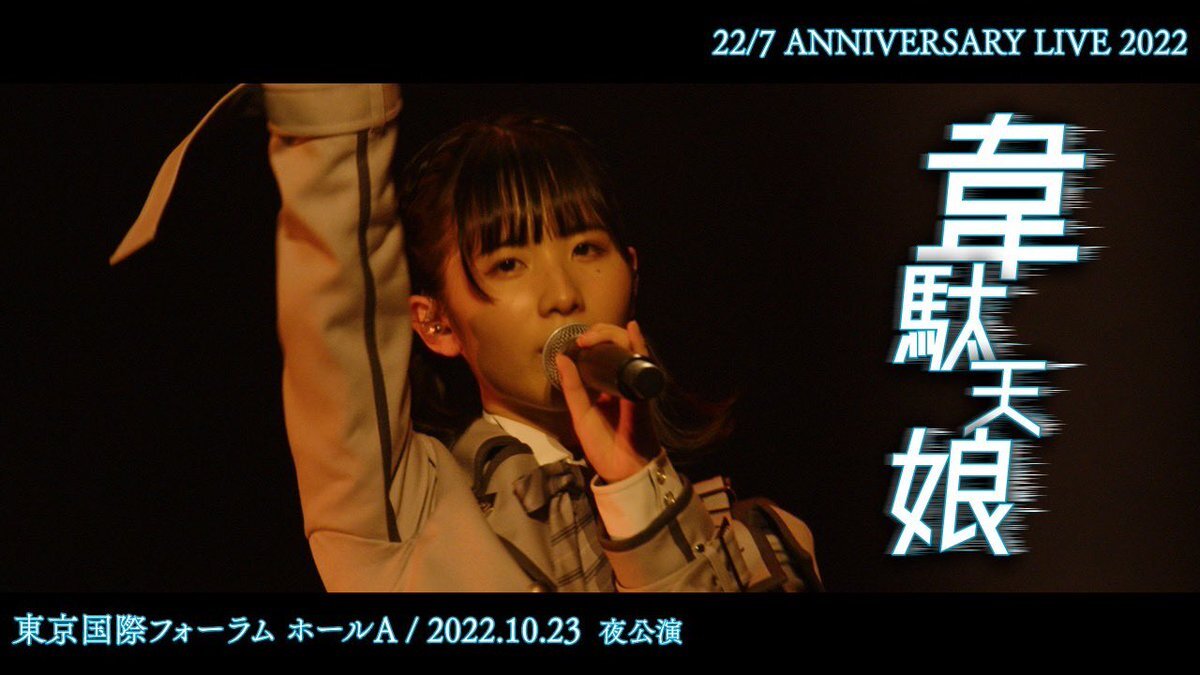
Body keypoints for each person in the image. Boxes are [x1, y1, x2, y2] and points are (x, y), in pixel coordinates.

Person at [112, 83, 822, 592]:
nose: (563, 293)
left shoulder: (760, 544)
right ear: (435, 322)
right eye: (509, 262)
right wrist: (332, 127)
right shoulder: (405, 508)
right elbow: (339, 312)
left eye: (586, 248)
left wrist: (637, 489)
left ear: (632, 273)